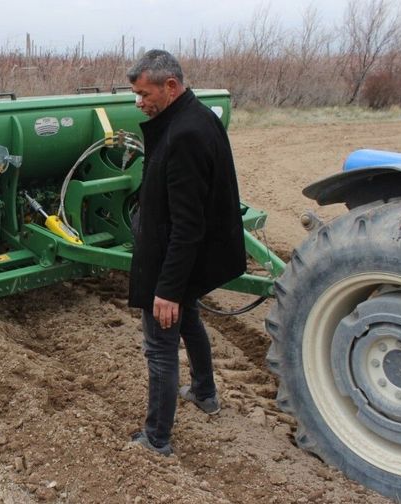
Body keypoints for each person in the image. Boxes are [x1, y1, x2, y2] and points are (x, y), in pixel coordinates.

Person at [125, 50, 246, 456]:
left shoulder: (184, 136)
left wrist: (168, 289)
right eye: (136, 94)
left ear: (170, 86)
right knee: (190, 319)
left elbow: (188, 224)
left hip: (172, 260)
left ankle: (156, 438)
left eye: (144, 93)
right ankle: (204, 392)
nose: (139, 102)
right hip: (192, 258)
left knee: (160, 346)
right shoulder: (196, 117)